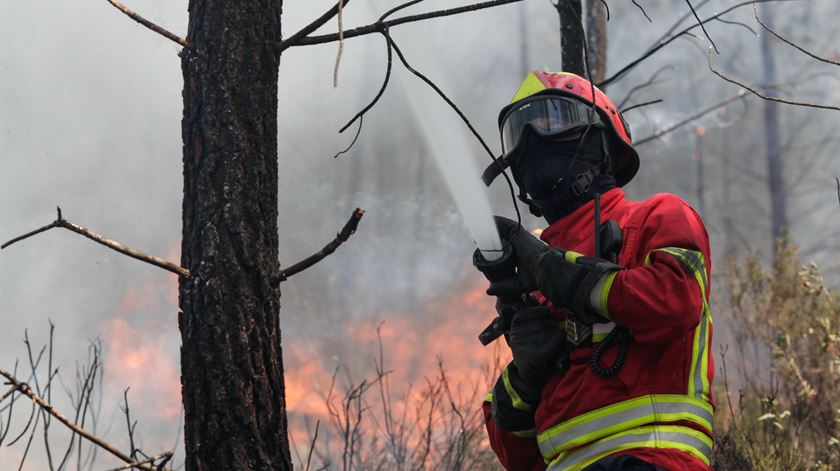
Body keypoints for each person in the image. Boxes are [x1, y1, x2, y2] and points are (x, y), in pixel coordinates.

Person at [477, 71, 714, 471]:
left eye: (556, 118)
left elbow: (674, 301)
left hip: (650, 460)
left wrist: (552, 268)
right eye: (521, 131)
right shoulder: (534, 288)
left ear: (603, 143)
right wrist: (525, 376)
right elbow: (515, 457)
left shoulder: (657, 216)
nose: (535, 136)